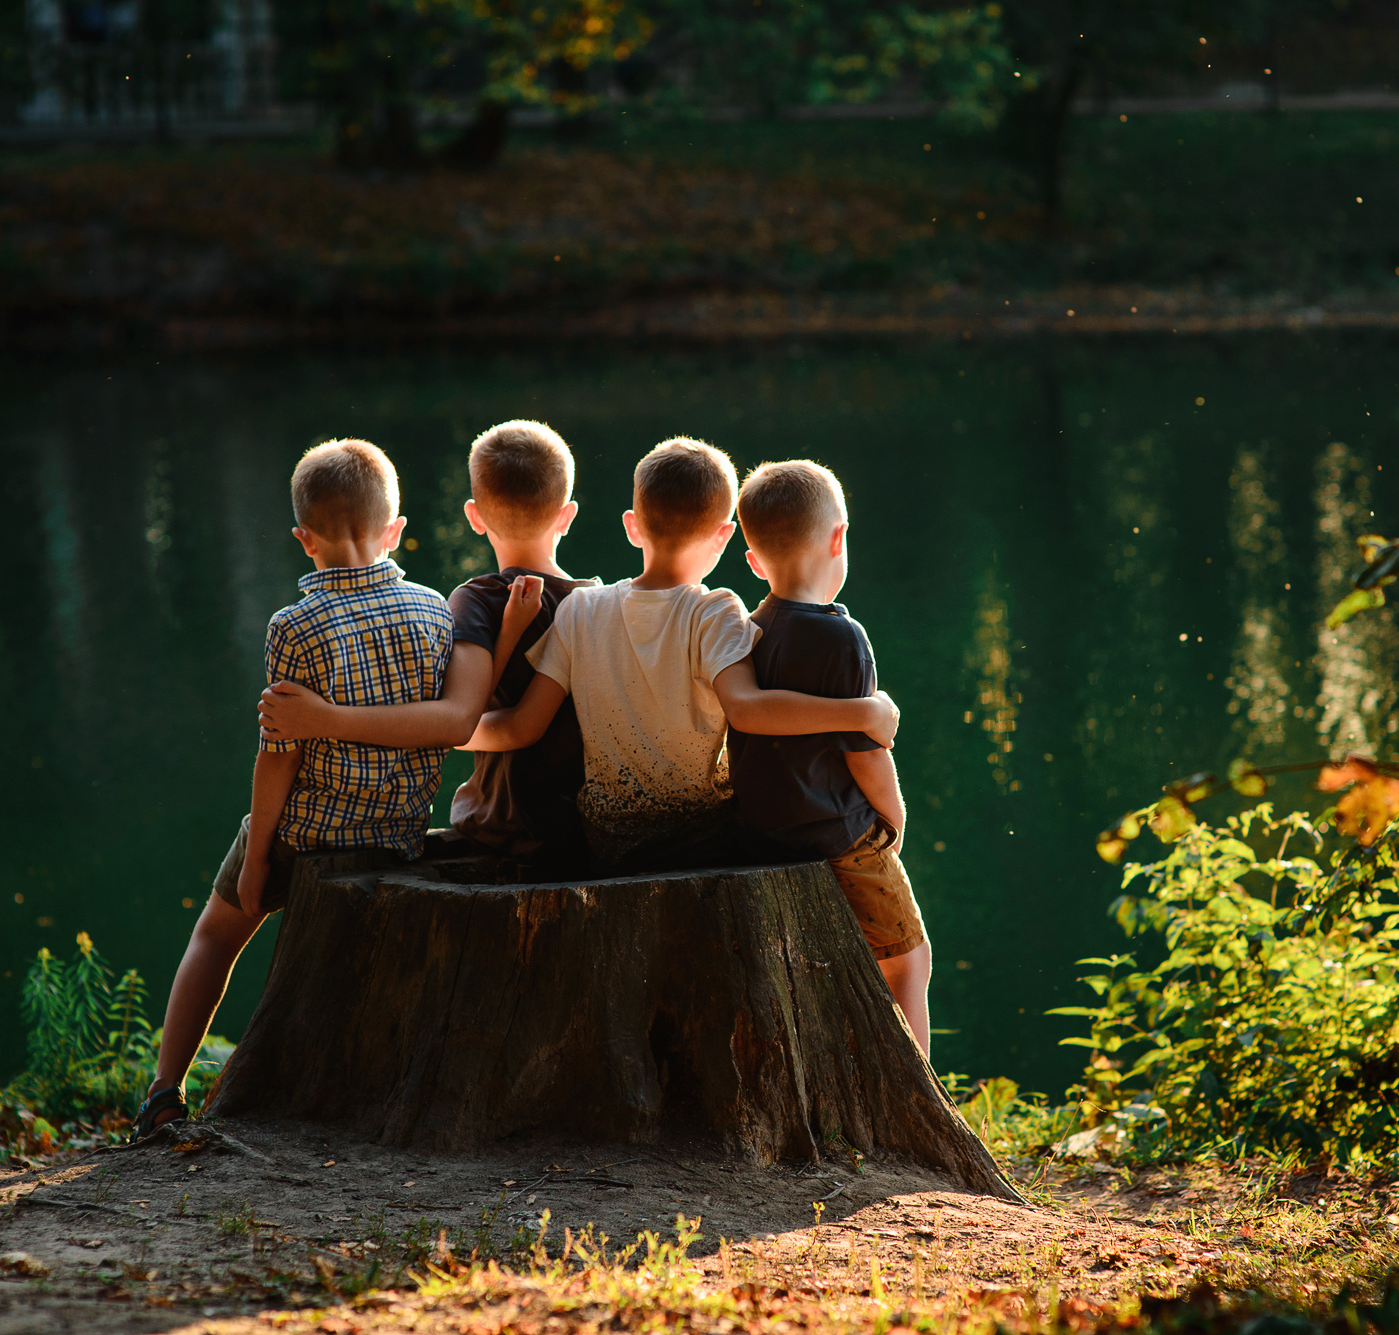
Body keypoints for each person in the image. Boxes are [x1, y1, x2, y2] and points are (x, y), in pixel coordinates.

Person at [135, 439, 457, 1138]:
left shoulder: (294, 626)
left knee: (214, 936)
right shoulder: (435, 610)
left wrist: (257, 859)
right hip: (397, 834)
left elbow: (278, 755)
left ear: (301, 538)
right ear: (396, 529)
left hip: (309, 836)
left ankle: (164, 1090)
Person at [470, 437, 900, 872]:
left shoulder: (581, 608)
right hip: (704, 840)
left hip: (608, 841)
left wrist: (455, 730)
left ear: (632, 526)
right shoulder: (714, 613)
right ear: (724, 535)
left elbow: (523, 727)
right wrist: (862, 713)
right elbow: (748, 710)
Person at [257, 420, 594, 867]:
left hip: (501, 823)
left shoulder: (474, 600)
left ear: (473, 516)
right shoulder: (597, 603)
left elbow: (462, 722)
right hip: (585, 827)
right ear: (568, 515)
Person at [728, 460, 932, 1055]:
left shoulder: (749, 630)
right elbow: (865, 755)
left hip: (765, 833)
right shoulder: (844, 637)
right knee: (908, 962)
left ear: (754, 561)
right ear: (839, 537)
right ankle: (922, 1095)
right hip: (839, 834)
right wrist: (892, 819)